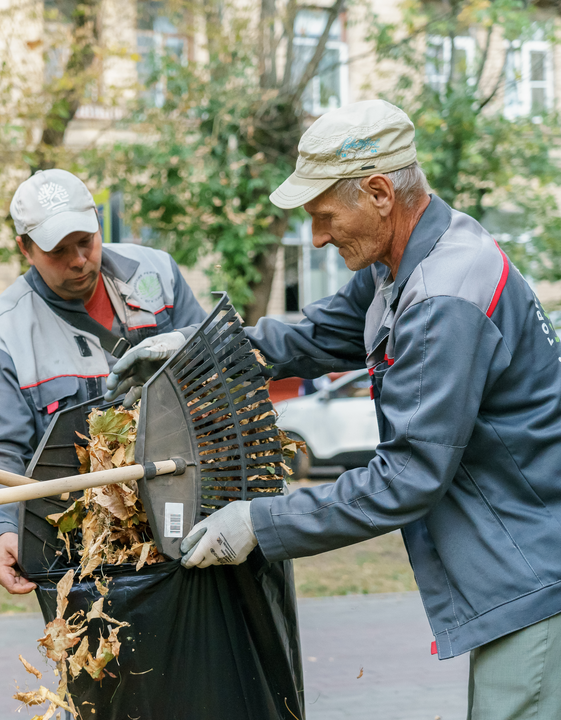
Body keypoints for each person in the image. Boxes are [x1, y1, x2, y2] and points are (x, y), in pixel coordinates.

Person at [115, 99, 561, 718]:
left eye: (325, 216)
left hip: (537, 577)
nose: (319, 236)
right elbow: (317, 336)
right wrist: (202, 349)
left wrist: (258, 524)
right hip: (524, 564)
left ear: (379, 192)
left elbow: (406, 478)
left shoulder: (440, 298)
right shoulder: (406, 262)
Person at [0, 168, 208, 593]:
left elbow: (207, 373)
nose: (77, 260)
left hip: (190, 516)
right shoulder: (4, 336)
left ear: (98, 223)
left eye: (86, 241)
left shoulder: (157, 275)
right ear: (26, 249)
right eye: (58, 250)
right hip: (90, 554)